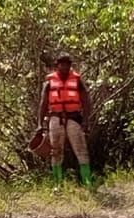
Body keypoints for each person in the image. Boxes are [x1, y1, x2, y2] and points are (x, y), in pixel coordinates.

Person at [38, 54, 94, 188]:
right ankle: (58, 184)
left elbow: (86, 101)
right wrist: (40, 124)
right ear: (57, 66)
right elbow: (43, 104)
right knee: (56, 152)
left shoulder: (77, 81)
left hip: (74, 118)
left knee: (81, 150)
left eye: (67, 64)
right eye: (61, 64)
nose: (64, 67)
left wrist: (86, 121)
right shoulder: (49, 83)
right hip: (55, 118)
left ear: (70, 66)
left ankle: (87, 182)